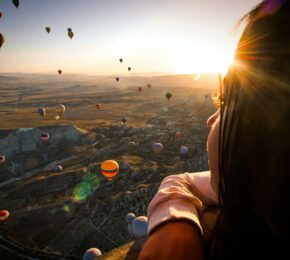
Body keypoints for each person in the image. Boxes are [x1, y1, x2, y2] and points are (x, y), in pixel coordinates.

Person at [139, 0, 290, 259]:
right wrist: (175, 227)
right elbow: (182, 181)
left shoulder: (262, 184)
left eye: (228, 100)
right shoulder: (264, 190)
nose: (210, 120)